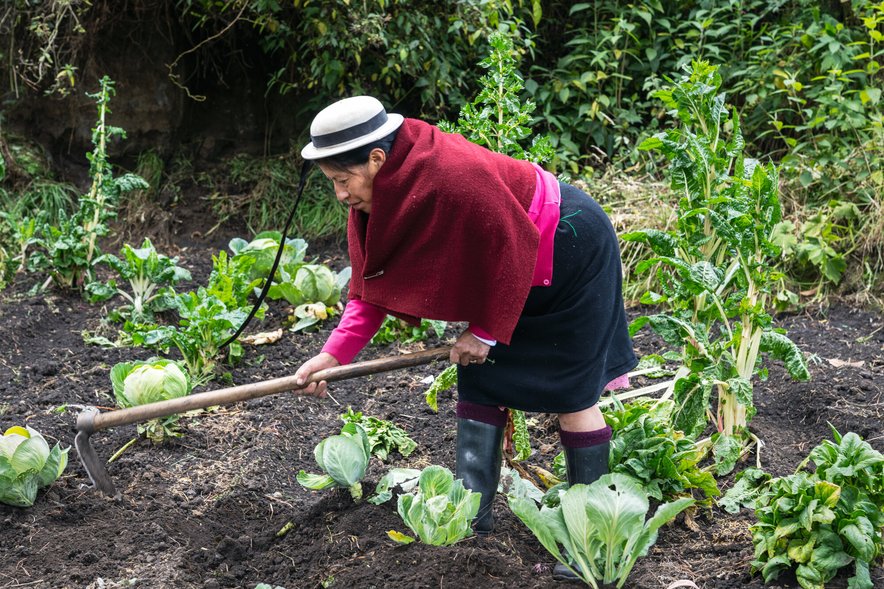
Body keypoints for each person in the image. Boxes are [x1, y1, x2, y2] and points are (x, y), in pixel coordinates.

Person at [293, 96, 637, 580]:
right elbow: (368, 289)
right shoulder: (377, 199)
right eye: (332, 183)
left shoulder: (452, 175)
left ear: (375, 159)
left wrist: (485, 332)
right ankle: (470, 519)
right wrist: (330, 356)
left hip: (567, 249)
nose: (340, 195)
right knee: (480, 380)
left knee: (572, 392)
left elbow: (516, 239)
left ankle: (595, 541)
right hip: (507, 270)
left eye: (342, 180)